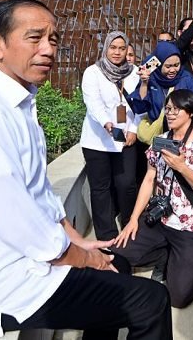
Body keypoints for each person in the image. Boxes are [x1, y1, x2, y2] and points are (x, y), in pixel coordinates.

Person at [0, 0, 170, 338]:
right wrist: (79, 256)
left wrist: (80, 241)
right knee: (150, 300)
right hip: (7, 282)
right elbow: (12, 215)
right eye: (34, 38)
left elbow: (40, 193)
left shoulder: (20, 104)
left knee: (117, 262)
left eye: (53, 39)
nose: (48, 49)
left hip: (30, 262)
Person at [112, 89, 193, 308]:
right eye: (168, 108)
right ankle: (165, 255)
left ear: (190, 113)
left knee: (178, 298)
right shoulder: (160, 140)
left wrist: (181, 166)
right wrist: (133, 219)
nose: (169, 114)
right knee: (117, 256)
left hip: (189, 225)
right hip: (160, 218)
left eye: (176, 109)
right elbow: (149, 179)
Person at [79, 31, 141, 241]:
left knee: (127, 184)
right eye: (113, 47)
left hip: (127, 139)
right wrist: (108, 123)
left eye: (121, 48)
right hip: (98, 140)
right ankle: (107, 237)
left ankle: (129, 227)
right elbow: (93, 102)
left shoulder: (135, 73)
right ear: (105, 48)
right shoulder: (92, 72)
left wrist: (133, 129)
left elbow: (141, 104)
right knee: (101, 188)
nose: (117, 52)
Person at [128, 40, 193, 138]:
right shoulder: (151, 76)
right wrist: (144, 83)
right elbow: (140, 108)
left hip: (182, 135)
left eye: (176, 65)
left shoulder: (186, 79)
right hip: (156, 135)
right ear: (159, 64)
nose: (172, 70)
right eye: (168, 66)